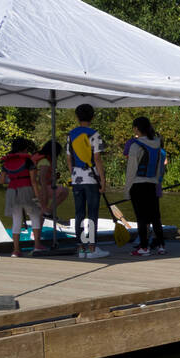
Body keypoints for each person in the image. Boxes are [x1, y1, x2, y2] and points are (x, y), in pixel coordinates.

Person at [66, 103, 107, 260]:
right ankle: (92, 248)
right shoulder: (94, 134)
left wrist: (73, 173)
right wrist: (102, 180)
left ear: (77, 117)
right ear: (93, 117)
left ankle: (81, 248)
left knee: (79, 213)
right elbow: (97, 158)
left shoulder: (71, 134)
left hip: (77, 177)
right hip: (91, 178)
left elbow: (68, 158)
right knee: (92, 213)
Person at [125, 116, 167, 257]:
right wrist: (156, 182)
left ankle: (144, 247)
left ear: (136, 129)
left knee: (141, 218)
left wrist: (127, 190)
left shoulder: (135, 146)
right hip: (152, 184)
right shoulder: (157, 144)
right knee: (155, 217)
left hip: (138, 185)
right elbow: (158, 168)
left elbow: (131, 170)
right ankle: (161, 245)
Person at [0, 137, 41, 257]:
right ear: (25, 148)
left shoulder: (7, 161)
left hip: (12, 191)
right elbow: (33, 181)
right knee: (34, 217)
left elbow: (1, 180)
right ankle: (37, 246)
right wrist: (38, 197)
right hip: (26, 189)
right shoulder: (28, 161)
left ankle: (16, 250)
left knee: (16, 220)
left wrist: (13, 179)